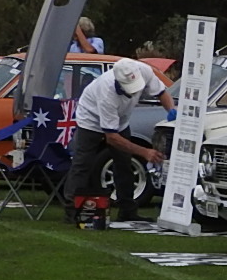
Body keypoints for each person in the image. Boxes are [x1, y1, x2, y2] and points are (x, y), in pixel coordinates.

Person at [67, 59, 165, 228]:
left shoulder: (145, 71)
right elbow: (112, 138)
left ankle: (127, 210)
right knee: (82, 164)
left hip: (120, 121)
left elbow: (162, 93)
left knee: (124, 163)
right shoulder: (107, 92)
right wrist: (144, 152)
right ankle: (72, 210)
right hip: (90, 120)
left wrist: (172, 113)